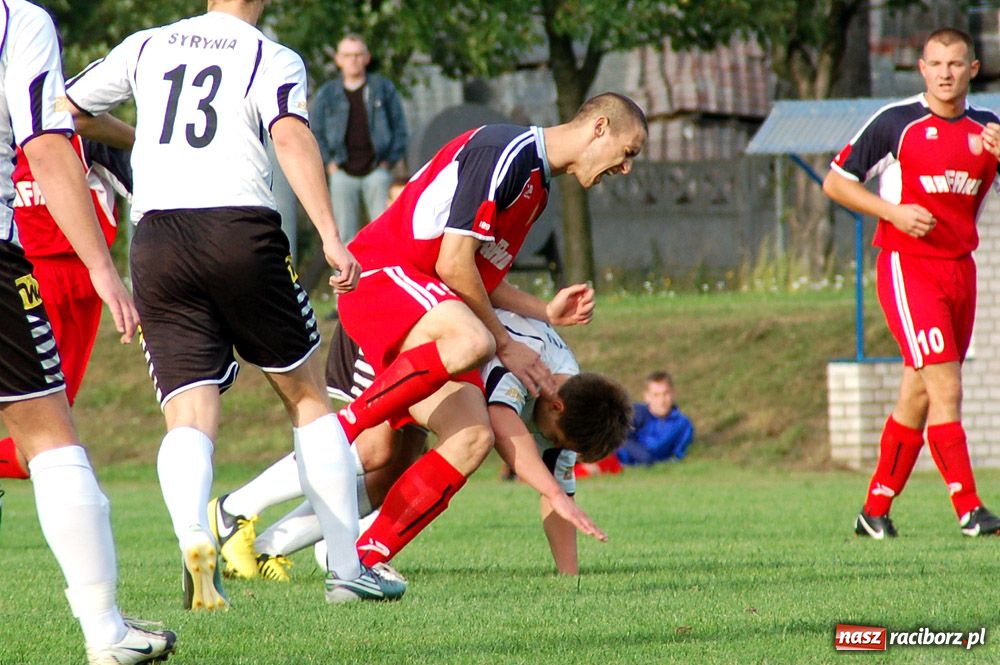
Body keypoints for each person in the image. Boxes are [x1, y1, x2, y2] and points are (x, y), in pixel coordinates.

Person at [65, 0, 405, 607]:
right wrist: (330, 234)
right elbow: (291, 134)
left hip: (159, 238)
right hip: (239, 227)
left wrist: (143, 143)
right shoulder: (270, 56)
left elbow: (70, 110)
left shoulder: (147, 45)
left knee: (189, 415)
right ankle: (347, 570)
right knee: (305, 396)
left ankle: (195, 531)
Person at [327, 93, 647, 570]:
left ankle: (356, 562)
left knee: (450, 444)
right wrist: (505, 342)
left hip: (427, 306)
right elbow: (452, 264)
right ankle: (314, 458)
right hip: (384, 280)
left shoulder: (537, 189)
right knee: (455, 370)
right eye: (629, 152)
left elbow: (481, 276)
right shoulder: (509, 152)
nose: (626, 169)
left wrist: (544, 311)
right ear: (600, 127)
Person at [0, 2, 177, 662]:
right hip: (11, 259)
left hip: (37, 266)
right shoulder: (18, 21)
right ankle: (105, 629)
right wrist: (106, 266)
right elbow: (47, 143)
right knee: (50, 435)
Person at [213, 309, 630, 578]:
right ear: (555, 405)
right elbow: (503, 425)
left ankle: (270, 547)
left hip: (435, 362)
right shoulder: (532, 366)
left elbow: (559, 499)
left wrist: (568, 580)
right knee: (374, 450)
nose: (546, 444)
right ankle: (236, 508)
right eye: (552, 437)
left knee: (390, 473)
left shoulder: (570, 385)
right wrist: (553, 491)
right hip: (391, 329)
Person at [823, 27, 1000, 539]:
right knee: (947, 385)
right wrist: (892, 212)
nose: (946, 73)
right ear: (922, 69)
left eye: (956, 64)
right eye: (936, 63)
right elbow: (837, 180)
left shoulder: (988, 128)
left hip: (960, 270)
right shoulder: (896, 122)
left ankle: (873, 511)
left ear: (973, 70)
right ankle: (969, 509)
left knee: (919, 394)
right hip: (908, 266)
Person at [0, 135, 131, 481]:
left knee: (41, 433)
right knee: (46, 437)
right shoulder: (74, 126)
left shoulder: (82, 130)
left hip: (66, 276)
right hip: (37, 273)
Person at [311, 33, 408, 243]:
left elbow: (399, 127)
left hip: (377, 170)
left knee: (384, 232)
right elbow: (315, 131)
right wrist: (329, 164)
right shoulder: (328, 93)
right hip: (341, 171)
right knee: (343, 236)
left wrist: (387, 163)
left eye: (357, 55)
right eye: (347, 55)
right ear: (338, 59)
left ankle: (385, 274)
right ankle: (345, 276)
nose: (353, 60)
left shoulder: (382, 89)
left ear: (367, 57)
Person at [615, 370, 694, 466]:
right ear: (647, 396)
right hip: (616, 461)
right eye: (656, 395)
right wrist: (644, 457)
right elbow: (620, 438)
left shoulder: (682, 424)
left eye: (666, 393)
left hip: (651, 468)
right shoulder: (637, 413)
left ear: (673, 393)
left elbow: (678, 455)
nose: (662, 400)